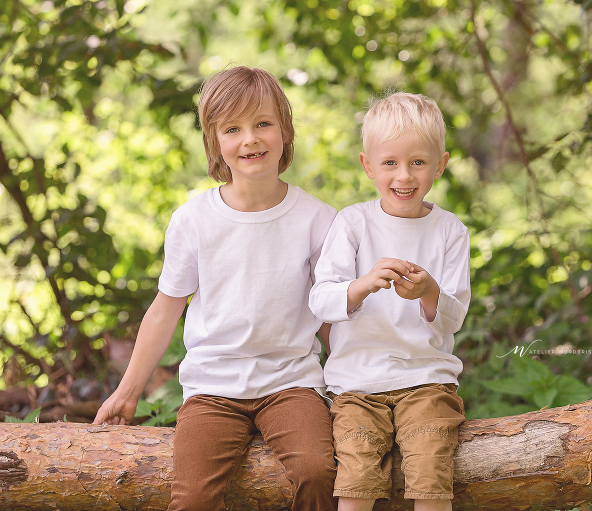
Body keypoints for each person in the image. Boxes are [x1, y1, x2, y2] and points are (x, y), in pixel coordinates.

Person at [94, 66, 338, 511]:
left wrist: (348, 386)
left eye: (263, 123)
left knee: (318, 472)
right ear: (215, 141)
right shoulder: (194, 220)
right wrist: (127, 393)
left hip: (291, 384)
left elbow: (329, 315)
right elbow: (165, 310)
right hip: (212, 389)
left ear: (285, 131)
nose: (251, 139)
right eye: (233, 129)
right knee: (192, 500)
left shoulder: (318, 219)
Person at [309, 92, 471, 511]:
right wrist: (363, 284)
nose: (404, 176)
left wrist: (430, 292)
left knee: (431, 474)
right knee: (357, 480)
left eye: (418, 162)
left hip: (427, 381)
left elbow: (454, 317)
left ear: (440, 164)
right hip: (357, 387)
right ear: (368, 166)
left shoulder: (450, 231)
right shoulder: (354, 223)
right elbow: (321, 301)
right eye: (390, 163)